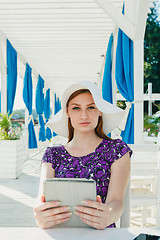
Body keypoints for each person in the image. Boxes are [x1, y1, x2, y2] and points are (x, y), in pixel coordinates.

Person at [34, 80, 132, 229]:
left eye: (91, 107)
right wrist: (40, 215)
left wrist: (108, 216)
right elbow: (41, 198)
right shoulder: (53, 154)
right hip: (61, 233)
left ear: (100, 111)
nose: (84, 115)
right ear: (68, 112)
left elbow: (117, 202)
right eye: (76, 108)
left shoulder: (117, 150)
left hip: (102, 233)